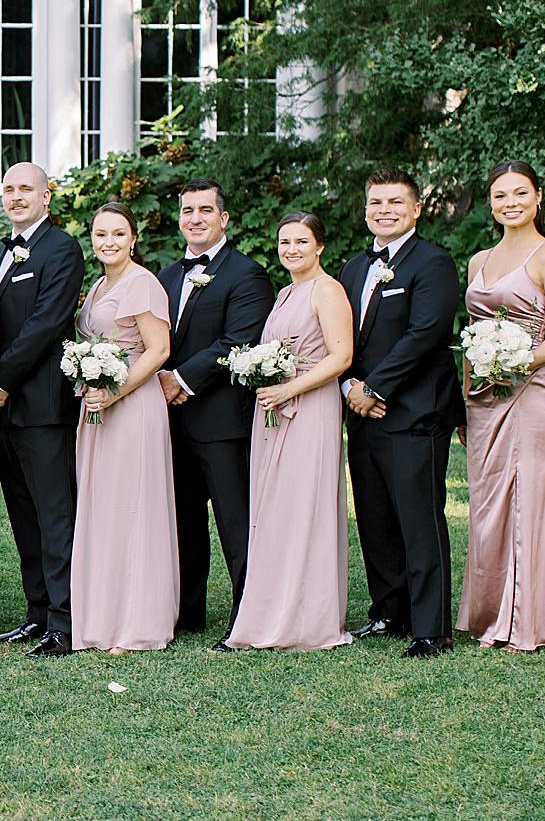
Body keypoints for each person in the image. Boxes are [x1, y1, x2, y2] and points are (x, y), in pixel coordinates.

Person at [457, 161, 545, 650]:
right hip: (483, 398)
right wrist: (471, 388)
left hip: (528, 394)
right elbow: (469, 334)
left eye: (518, 194)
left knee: (528, 496)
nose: (508, 203)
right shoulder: (478, 260)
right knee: (488, 502)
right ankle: (489, 610)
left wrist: (516, 363)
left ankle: (532, 619)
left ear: (538, 198)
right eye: (499, 195)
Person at [339, 167, 465, 658]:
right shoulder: (353, 267)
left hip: (415, 412)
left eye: (394, 202)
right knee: (375, 518)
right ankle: (389, 611)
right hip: (361, 410)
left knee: (419, 521)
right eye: (375, 202)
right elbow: (344, 338)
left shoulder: (432, 263)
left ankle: (431, 628)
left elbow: (425, 334)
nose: (383, 210)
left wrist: (375, 386)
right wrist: (351, 386)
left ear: (415, 209)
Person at [223, 212, 355, 652]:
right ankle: (270, 611)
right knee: (274, 509)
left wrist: (288, 388)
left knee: (304, 507)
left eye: (301, 241)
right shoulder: (284, 294)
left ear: (320, 246)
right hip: (275, 407)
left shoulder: (328, 290)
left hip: (310, 407)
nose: (291, 250)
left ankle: (305, 619)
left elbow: (341, 357)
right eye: (284, 242)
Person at [155, 179, 276, 640]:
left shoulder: (247, 274)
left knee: (236, 522)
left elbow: (237, 340)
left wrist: (179, 379)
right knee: (183, 521)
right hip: (171, 421)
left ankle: (249, 613)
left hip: (223, 421)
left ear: (224, 219)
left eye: (206, 210)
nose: (195, 218)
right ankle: (188, 613)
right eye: (188, 210)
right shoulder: (165, 276)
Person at [0, 162, 87, 656]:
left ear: (46, 196)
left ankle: (65, 623)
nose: (16, 196)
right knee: (23, 513)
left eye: (26, 188)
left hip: (42, 403)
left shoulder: (62, 249)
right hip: (1, 410)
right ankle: (36, 613)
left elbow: (47, 322)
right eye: (9, 189)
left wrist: (1, 378)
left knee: (54, 515)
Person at [70, 202, 178, 652]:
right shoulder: (97, 285)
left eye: (118, 234)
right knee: (103, 507)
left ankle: (138, 622)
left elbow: (157, 351)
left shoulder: (142, 284)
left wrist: (114, 391)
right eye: (100, 234)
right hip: (97, 405)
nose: (108, 242)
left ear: (133, 238)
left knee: (133, 507)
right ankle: (104, 616)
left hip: (132, 406)